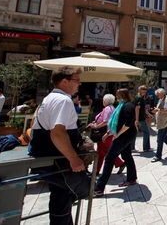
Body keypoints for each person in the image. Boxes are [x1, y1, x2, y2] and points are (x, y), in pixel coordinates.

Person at [28, 67, 90, 224]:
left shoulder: (51, 98)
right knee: (71, 193)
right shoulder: (63, 100)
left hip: (50, 156)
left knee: (60, 197)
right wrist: (73, 158)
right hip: (58, 159)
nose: (79, 84)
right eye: (76, 80)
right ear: (64, 81)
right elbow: (58, 133)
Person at [95, 89, 138, 196]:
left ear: (121, 95)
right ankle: (132, 179)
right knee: (127, 155)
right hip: (123, 135)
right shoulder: (120, 106)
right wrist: (109, 132)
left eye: (117, 95)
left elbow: (127, 124)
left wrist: (116, 136)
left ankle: (99, 188)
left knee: (109, 158)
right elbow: (116, 122)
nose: (116, 97)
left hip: (125, 135)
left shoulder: (128, 106)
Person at [88, 94, 125, 175]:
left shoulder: (108, 109)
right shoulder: (111, 108)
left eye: (103, 100)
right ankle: (97, 170)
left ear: (105, 101)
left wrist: (96, 126)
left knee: (105, 152)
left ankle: (120, 163)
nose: (102, 102)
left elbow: (106, 121)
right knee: (102, 152)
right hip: (108, 133)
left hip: (106, 134)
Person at [131, 85, 152, 152]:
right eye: (143, 89)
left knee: (134, 133)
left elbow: (143, 108)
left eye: (145, 90)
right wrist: (137, 120)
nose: (144, 91)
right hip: (140, 119)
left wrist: (148, 114)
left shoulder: (140, 97)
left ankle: (132, 148)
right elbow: (137, 108)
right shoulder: (139, 97)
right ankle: (146, 148)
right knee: (146, 132)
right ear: (139, 90)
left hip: (138, 118)